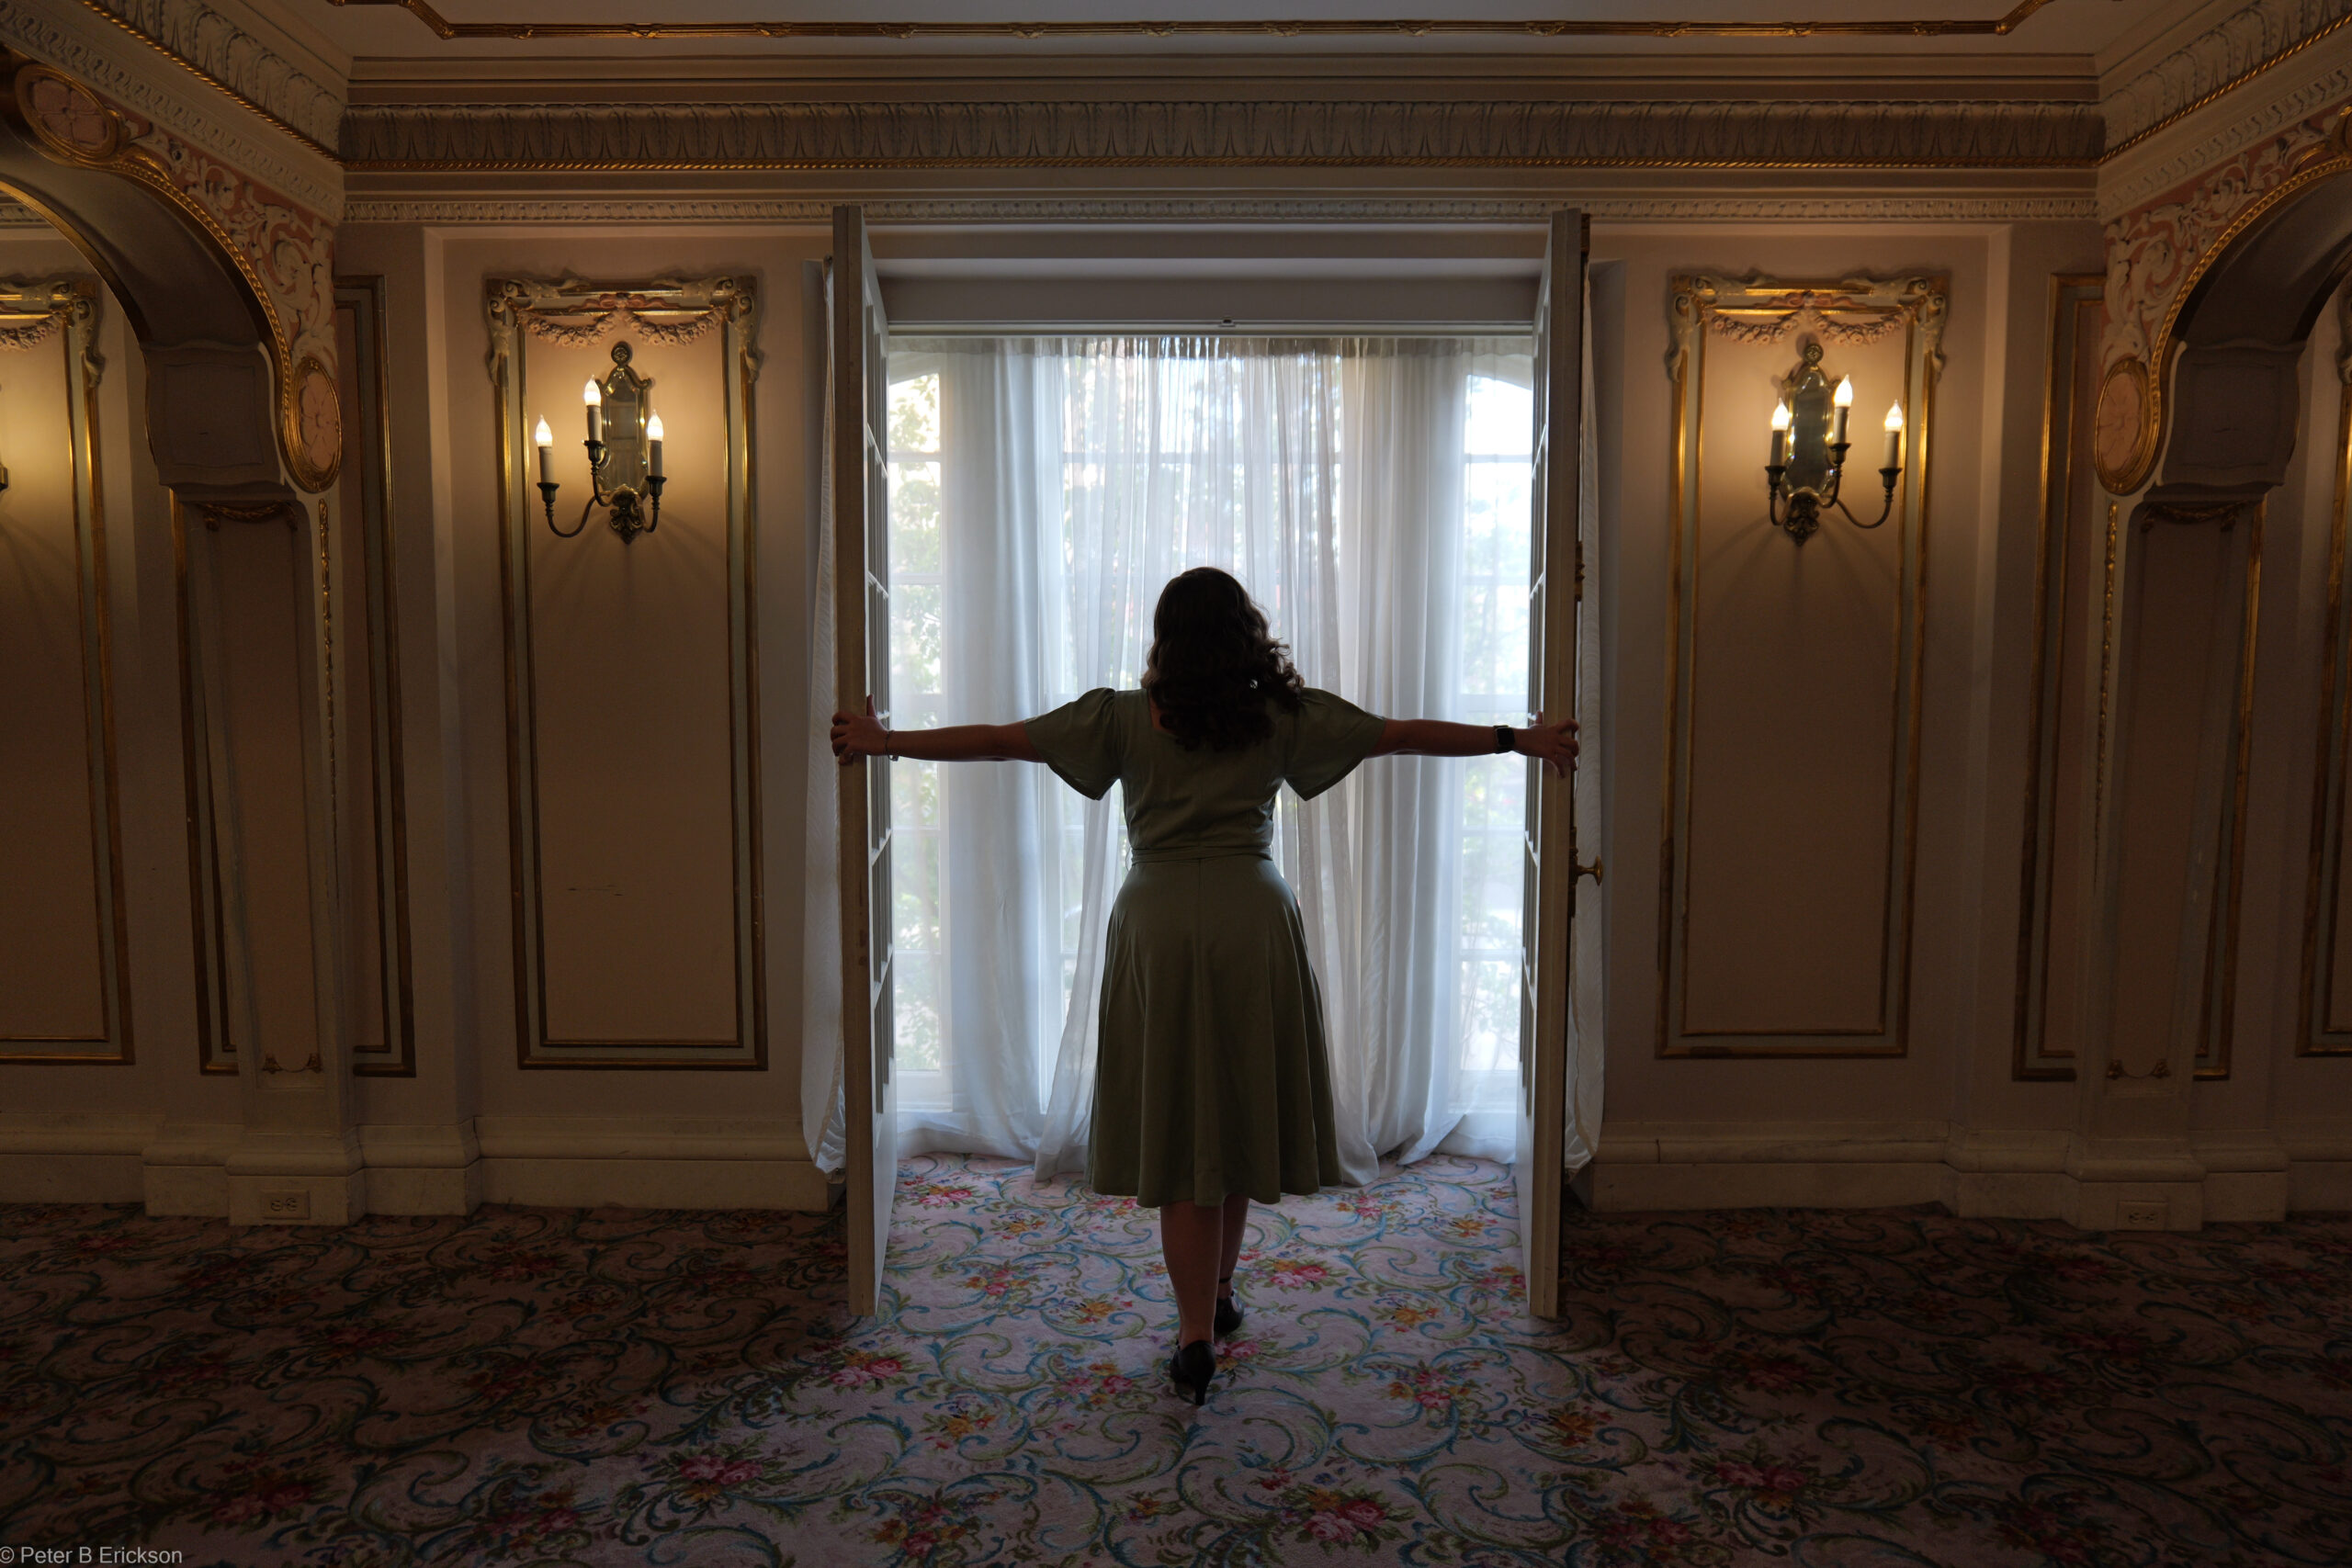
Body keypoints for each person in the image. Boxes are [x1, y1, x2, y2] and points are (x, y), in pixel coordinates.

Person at [830, 566, 1577, 1408]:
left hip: (1156, 926)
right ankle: (1218, 1297)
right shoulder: (1280, 716)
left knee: (1187, 1131)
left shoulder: (1119, 717)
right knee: (1235, 1107)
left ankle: (1195, 1335)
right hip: (1250, 922)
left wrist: (886, 741)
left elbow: (1003, 740)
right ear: (1244, 635)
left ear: (1166, 639)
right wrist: (1516, 740)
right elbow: (1399, 734)